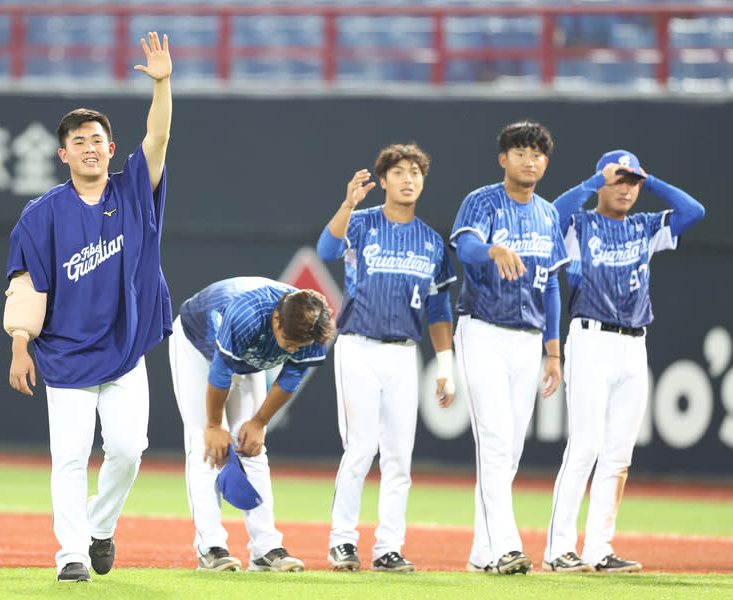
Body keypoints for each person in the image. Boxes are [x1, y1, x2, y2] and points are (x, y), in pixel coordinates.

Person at [2, 32, 173, 583]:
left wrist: (163, 83)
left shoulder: (133, 191)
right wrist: (20, 346)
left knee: (128, 451)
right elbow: (26, 285)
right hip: (66, 355)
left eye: (97, 138)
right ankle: (71, 555)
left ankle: (101, 528)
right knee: (70, 459)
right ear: (64, 153)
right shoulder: (42, 214)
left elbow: (159, 136)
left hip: (124, 350)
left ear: (108, 145)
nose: (90, 147)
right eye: (79, 141)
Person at [543, 150, 705, 573]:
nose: (626, 189)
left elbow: (694, 211)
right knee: (585, 446)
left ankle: (599, 549)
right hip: (591, 336)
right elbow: (551, 215)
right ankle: (559, 548)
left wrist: (649, 181)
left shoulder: (644, 226)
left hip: (634, 344)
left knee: (617, 454)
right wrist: (593, 182)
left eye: (632, 182)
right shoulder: (579, 224)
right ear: (602, 181)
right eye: (620, 180)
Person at [316, 142, 457, 573]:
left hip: (402, 353)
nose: (409, 178)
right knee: (359, 449)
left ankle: (388, 547)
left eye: (416, 171)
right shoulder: (360, 223)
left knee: (399, 456)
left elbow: (438, 308)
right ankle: (342, 541)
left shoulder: (432, 242)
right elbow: (325, 251)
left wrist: (446, 365)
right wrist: (346, 204)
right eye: (399, 172)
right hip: (358, 344)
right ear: (383, 181)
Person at [449, 120, 569, 575]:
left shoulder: (547, 213)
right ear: (503, 159)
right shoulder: (483, 201)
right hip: (483, 329)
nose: (530, 159)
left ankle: (483, 553)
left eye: (538, 153)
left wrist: (554, 352)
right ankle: (505, 547)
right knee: (496, 442)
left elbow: (552, 283)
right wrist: (492, 250)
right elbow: (467, 249)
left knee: (511, 450)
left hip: (529, 339)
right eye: (520, 151)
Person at [169, 277, 335, 572]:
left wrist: (258, 422)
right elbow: (220, 372)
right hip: (198, 344)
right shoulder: (247, 313)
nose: (295, 350)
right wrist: (213, 425)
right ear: (275, 320)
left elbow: (292, 376)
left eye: (301, 346)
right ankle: (210, 548)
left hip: (246, 356)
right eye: (290, 344)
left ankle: (266, 547)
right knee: (205, 446)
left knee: (252, 447)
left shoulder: (312, 326)